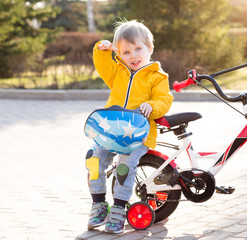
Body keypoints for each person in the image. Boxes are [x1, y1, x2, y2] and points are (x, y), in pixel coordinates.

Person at [85, 19, 173, 234]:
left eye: (138, 49)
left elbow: (165, 100)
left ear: (149, 48)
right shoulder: (117, 73)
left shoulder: (157, 77)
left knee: (124, 167)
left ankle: (119, 209)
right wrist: (102, 49)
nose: (133, 55)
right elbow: (102, 63)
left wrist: (151, 106)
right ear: (119, 54)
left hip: (139, 136)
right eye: (126, 52)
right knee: (93, 160)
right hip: (110, 132)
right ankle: (98, 205)